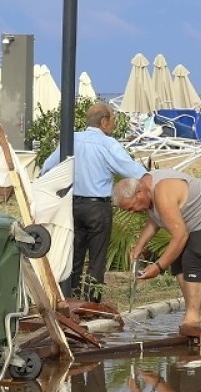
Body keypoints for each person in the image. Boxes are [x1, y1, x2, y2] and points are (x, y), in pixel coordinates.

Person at [42, 102, 151, 302]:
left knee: (73, 257)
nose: (114, 125)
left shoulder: (72, 139)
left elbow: (47, 168)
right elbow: (132, 170)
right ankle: (91, 304)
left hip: (72, 205)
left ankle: (69, 300)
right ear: (104, 122)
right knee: (97, 261)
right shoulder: (107, 144)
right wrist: (153, 181)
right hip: (97, 208)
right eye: (113, 120)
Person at [113, 169, 201, 326]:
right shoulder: (145, 187)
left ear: (139, 193)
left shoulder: (162, 192)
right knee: (178, 262)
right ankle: (192, 311)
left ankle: (193, 317)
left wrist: (158, 267)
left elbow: (180, 236)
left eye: (131, 208)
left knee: (194, 258)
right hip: (194, 220)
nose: (132, 213)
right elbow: (155, 219)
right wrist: (139, 246)